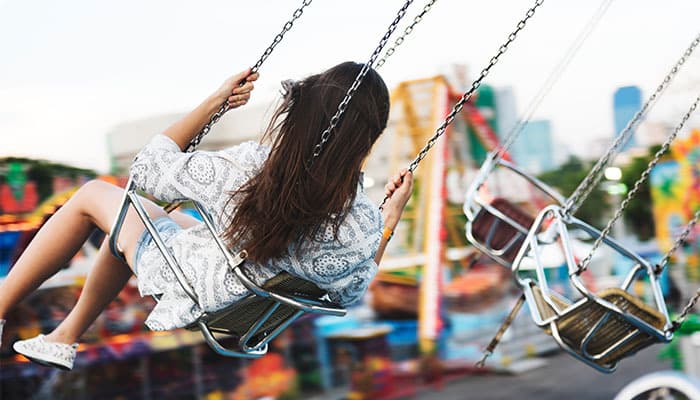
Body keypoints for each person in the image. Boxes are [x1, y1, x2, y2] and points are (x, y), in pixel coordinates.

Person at [0, 62, 413, 370]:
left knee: (95, 195)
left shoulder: (253, 170)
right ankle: (64, 337)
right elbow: (350, 291)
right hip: (247, 305)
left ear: (301, 117)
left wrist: (215, 102)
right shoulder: (362, 221)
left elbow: (148, 170)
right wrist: (389, 220)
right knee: (147, 216)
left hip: (197, 285)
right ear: (369, 137)